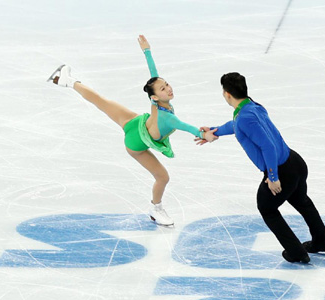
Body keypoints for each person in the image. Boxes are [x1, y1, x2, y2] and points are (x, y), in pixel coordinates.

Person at [47, 35, 210, 227]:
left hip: (135, 122)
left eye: (167, 85)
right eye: (163, 88)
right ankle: (156, 208)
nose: (168, 89)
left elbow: (154, 74)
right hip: (135, 144)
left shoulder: (156, 98)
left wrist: (147, 51)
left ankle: (67, 81)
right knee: (163, 177)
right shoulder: (168, 117)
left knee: (102, 102)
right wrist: (203, 134)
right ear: (155, 98)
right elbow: (187, 127)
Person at [198, 72, 325, 263]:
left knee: (267, 207)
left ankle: (296, 252)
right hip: (295, 162)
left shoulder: (245, 117)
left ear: (227, 94)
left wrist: (273, 177)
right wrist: (215, 131)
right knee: (302, 201)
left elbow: (267, 146)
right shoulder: (252, 106)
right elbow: (237, 125)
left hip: (281, 170)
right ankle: (322, 241)